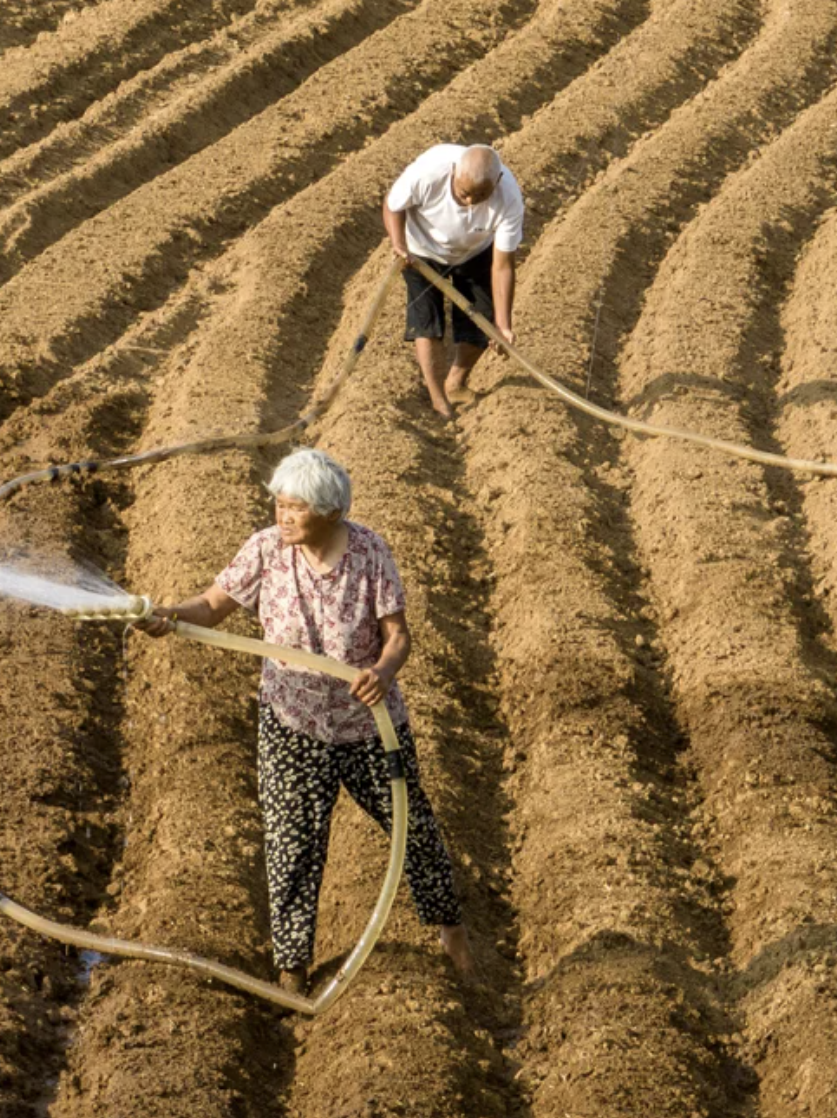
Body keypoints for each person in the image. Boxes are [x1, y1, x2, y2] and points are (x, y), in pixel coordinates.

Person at [134, 448, 475, 991]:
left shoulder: (368, 552)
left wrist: (384, 671)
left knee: (414, 831)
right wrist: (168, 617)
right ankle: (292, 971)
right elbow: (212, 605)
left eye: (296, 507)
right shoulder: (266, 550)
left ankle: (453, 934)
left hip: (368, 726)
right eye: (280, 504)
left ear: (332, 512)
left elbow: (398, 635)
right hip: (292, 723)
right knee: (292, 844)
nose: (283, 515)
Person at [383, 143, 524, 419]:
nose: (471, 201)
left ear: (497, 182)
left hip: (474, 251)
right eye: (464, 193)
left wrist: (503, 325)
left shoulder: (509, 198)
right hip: (420, 253)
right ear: (453, 174)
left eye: (481, 195)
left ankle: (455, 383)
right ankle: (439, 401)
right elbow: (392, 205)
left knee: (481, 321)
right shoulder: (428, 173)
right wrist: (399, 244)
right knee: (427, 325)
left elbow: (503, 264)